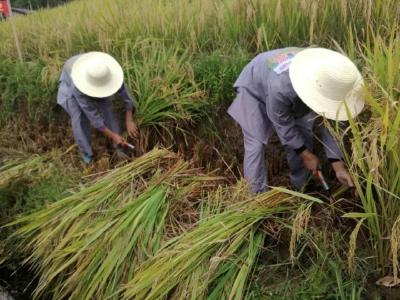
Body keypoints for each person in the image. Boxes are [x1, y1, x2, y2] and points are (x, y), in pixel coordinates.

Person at [228, 47, 364, 193]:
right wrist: (305, 155)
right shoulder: (281, 86)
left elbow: (334, 123)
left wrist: (337, 164)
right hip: (255, 88)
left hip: (296, 91)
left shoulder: (333, 79)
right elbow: (283, 124)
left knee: (302, 137)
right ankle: (255, 195)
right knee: (256, 143)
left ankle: (303, 185)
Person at [57, 51, 138, 163]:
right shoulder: (77, 86)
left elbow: (127, 98)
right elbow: (93, 116)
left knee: (109, 109)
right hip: (71, 83)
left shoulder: (111, 73)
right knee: (79, 117)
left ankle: (119, 146)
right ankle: (86, 154)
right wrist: (111, 135)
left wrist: (129, 120)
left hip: (96, 78)